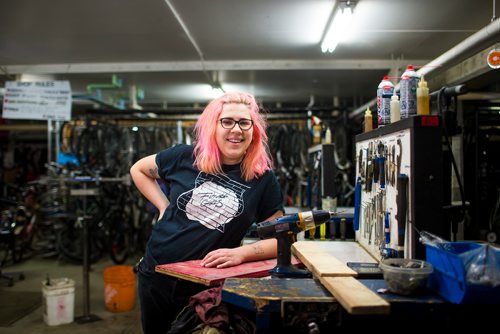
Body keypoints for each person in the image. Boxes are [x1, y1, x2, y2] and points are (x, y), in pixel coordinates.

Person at [130, 91, 284, 333]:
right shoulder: (185, 156)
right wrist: (163, 206)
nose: (237, 130)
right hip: (156, 274)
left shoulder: (262, 178)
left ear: (254, 130)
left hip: (206, 284)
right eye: (227, 121)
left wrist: (241, 254)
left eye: (245, 123)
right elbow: (139, 169)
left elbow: (281, 239)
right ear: (213, 126)